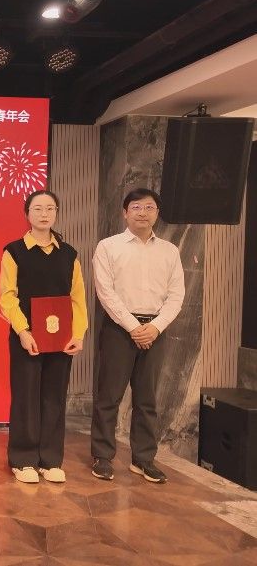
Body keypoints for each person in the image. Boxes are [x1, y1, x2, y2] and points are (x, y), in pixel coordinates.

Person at [91, 188, 185, 484]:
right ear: (125, 213)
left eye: (149, 208)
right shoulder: (108, 247)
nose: (142, 213)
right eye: (136, 207)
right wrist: (133, 327)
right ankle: (102, 456)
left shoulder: (169, 251)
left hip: (156, 330)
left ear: (157, 213)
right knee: (109, 396)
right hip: (119, 329)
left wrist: (155, 327)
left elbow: (177, 295)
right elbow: (105, 292)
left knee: (147, 399)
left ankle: (143, 459)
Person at [0, 190, 87, 484]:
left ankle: (50, 460)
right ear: (27, 214)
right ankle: (23, 459)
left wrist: (78, 334)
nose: (44, 214)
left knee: (54, 397)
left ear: (57, 213)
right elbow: (7, 296)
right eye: (37, 208)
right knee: (26, 396)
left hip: (61, 339)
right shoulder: (14, 251)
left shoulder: (69, 254)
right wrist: (23, 331)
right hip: (26, 337)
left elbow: (77, 298)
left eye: (50, 208)